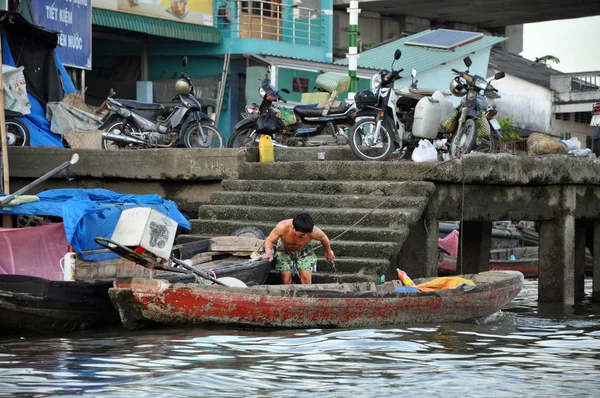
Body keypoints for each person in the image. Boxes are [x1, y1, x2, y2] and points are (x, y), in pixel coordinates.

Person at [263, 212, 335, 285]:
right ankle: (289, 295)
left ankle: (306, 294)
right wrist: (269, 252)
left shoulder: (315, 232)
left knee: (306, 279)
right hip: (284, 249)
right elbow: (269, 240)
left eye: (307, 233)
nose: (305, 235)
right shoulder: (282, 227)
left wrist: (328, 252)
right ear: (294, 228)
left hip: (304, 249)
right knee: (286, 278)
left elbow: (324, 239)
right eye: (302, 234)